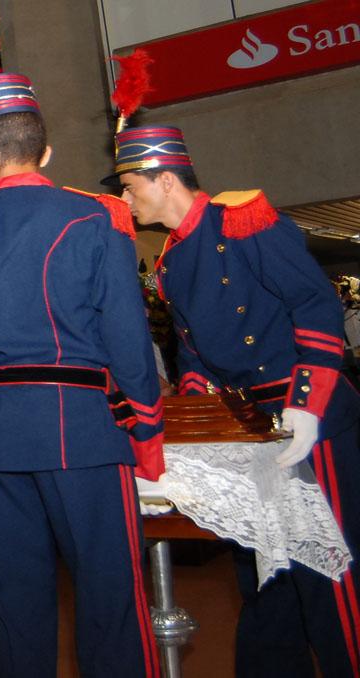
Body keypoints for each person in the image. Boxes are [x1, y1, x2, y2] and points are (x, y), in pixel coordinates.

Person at [0, 16, 163, 677]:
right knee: (110, 601)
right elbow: (126, 336)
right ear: (45, 152)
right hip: (81, 428)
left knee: (14, 605)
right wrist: (146, 425)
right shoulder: (94, 217)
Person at [106, 124, 360, 678]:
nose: (125, 198)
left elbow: (316, 307)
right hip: (249, 431)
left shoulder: (243, 220)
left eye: (130, 185)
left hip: (307, 422)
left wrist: (306, 403)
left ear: (166, 178)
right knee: (267, 574)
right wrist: (201, 424)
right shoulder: (171, 259)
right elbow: (196, 355)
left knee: (332, 577)